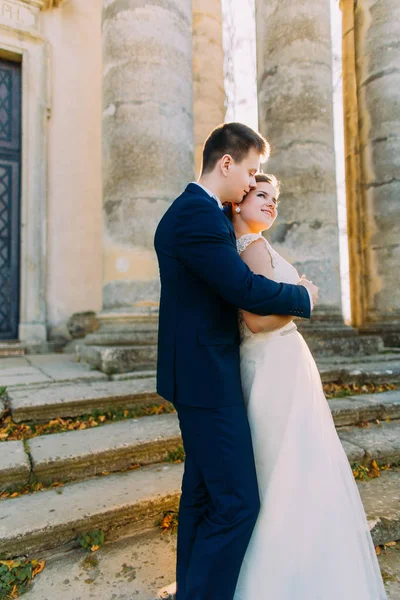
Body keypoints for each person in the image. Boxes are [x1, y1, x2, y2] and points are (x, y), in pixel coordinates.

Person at [154, 122, 318, 600]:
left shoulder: (201, 213)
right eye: (250, 171)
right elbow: (242, 289)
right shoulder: (196, 215)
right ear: (226, 163)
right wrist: (303, 296)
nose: (252, 184)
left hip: (203, 370)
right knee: (238, 504)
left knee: (203, 496)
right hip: (206, 378)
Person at [231, 173, 387, 599]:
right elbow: (257, 320)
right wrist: (305, 296)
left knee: (293, 466)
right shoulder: (251, 248)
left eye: (274, 198)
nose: (271, 204)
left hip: (282, 366)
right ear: (237, 202)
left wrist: (296, 293)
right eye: (261, 195)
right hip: (272, 366)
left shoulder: (256, 246)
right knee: (284, 469)